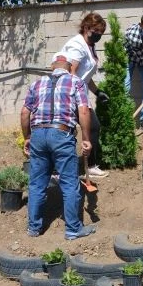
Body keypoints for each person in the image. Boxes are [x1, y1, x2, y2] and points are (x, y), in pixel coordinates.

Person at [20, 52, 96, 240]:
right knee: (69, 183)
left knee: (37, 183)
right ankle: (72, 229)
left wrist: (27, 137)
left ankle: (33, 228)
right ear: (70, 67)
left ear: (52, 67)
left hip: (38, 133)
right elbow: (84, 111)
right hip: (62, 134)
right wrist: (86, 138)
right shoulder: (75, 82)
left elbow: (24, 113)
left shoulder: (36, 84)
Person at [61, 12, 109, 178]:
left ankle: (86, 166)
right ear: (86, 28)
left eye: (101, 32)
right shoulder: (77, 45)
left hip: (79, 93)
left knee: (90, 127)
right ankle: (86, 167)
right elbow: (71, 72)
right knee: (90, 126)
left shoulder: (89, 45)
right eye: (96, 31)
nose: (99, 35)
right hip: (69, 95)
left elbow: (85, 76)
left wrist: (97, 91)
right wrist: (76, 99)